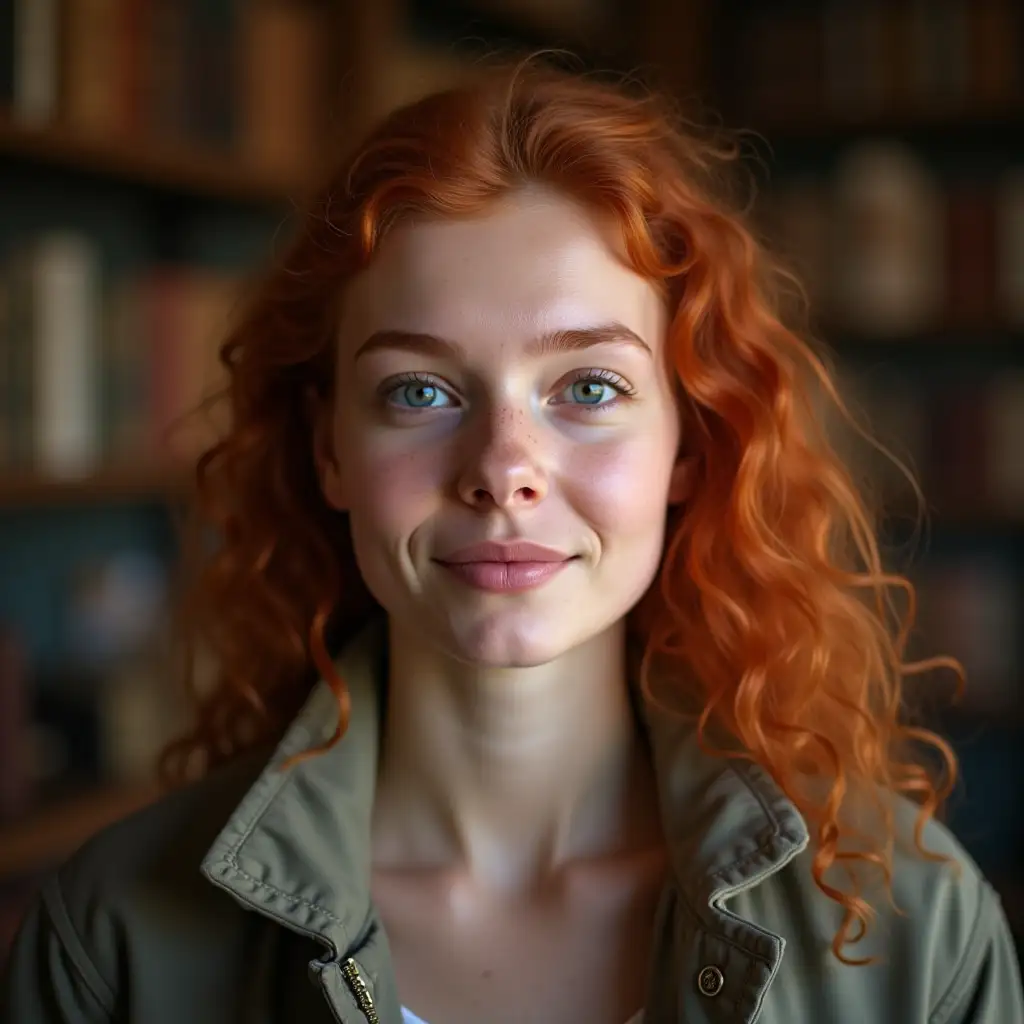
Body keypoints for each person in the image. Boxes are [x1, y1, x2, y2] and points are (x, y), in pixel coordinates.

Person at [3, 60, 1022, 1024]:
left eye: (589, 388)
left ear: (687, 444)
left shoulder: (913, 930)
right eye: (419, 390)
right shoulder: (113, 938)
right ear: (329, 450)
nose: (501, 467)